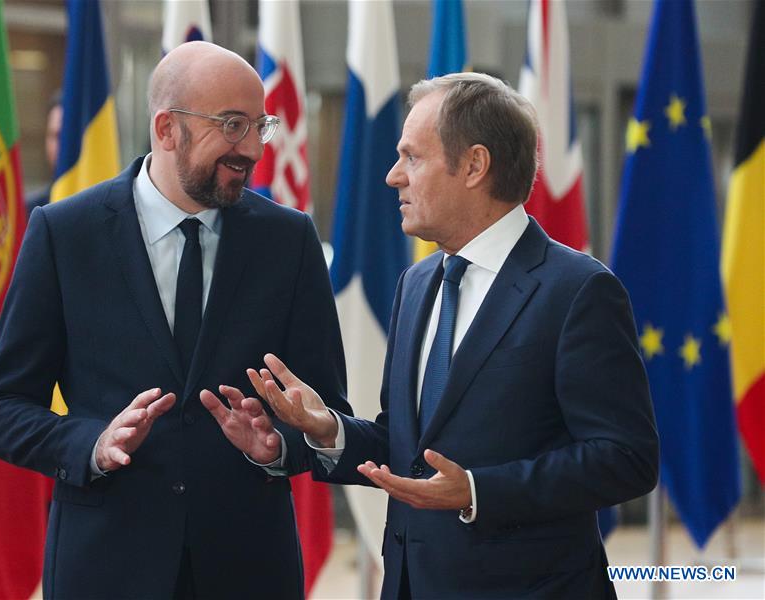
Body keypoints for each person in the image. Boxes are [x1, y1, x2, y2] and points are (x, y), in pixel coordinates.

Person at [207, 72, 660, 599]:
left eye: (412, 157)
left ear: (474, 165)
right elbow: (409, 448)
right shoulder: (417, 283)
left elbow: (626, 459)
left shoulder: (578, 290)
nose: (393, 176)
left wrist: (476, 491)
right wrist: (326, 429)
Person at [0, 41, 350, 599]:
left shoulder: (288, 240)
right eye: (232, 125)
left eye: (259, 126)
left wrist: (278, 448)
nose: (251, 148)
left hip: (249, 570)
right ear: (167, 128)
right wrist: (93, 444)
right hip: (105, 568)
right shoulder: (63, 233)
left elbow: (328, 409)